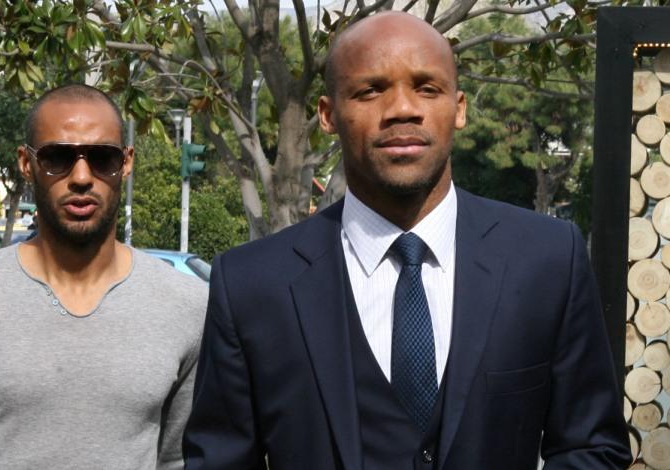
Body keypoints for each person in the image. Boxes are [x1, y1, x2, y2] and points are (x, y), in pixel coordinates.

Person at [183, 12, 629, 470]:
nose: (401, 108)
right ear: (328, 115)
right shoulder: (252, 284)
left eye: (427, 88)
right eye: (370, 90)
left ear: (459, 108)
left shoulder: (547, 260)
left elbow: (593, 448)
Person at [0, 84, 208, 469]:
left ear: (127, 162)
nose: (81, 177)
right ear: (26, 162)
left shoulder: (185, 305)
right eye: (57, 158)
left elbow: (177, 458)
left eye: (102, 158)